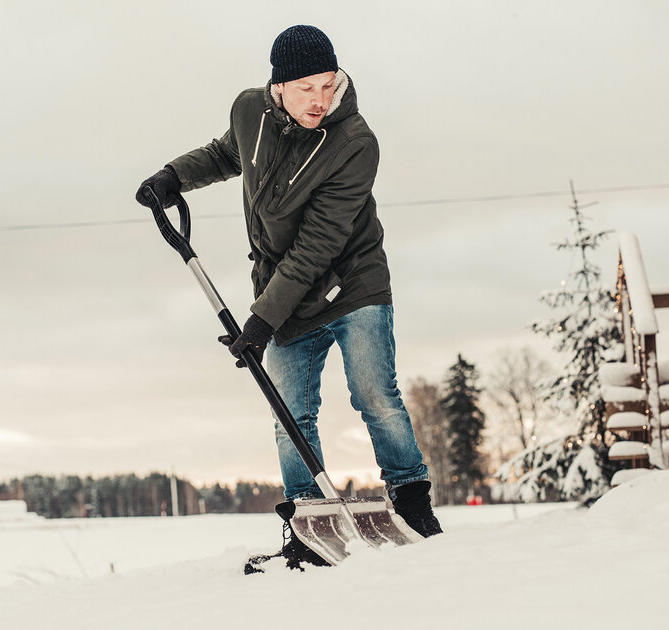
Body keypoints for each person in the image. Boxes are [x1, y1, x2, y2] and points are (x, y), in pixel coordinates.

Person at [136, 25, 442, 568]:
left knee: (374, 394)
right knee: (290, 414)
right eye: (306, 88)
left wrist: (258, 322)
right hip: (286, 291)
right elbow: (226, 154)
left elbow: (315, 248)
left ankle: (415, 506)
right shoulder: (249, 112)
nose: (320, 100)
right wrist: (173, 176)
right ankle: (309, 524)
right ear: (278, 86)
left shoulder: (354, 143)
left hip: (352, 283)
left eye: (329, 85)